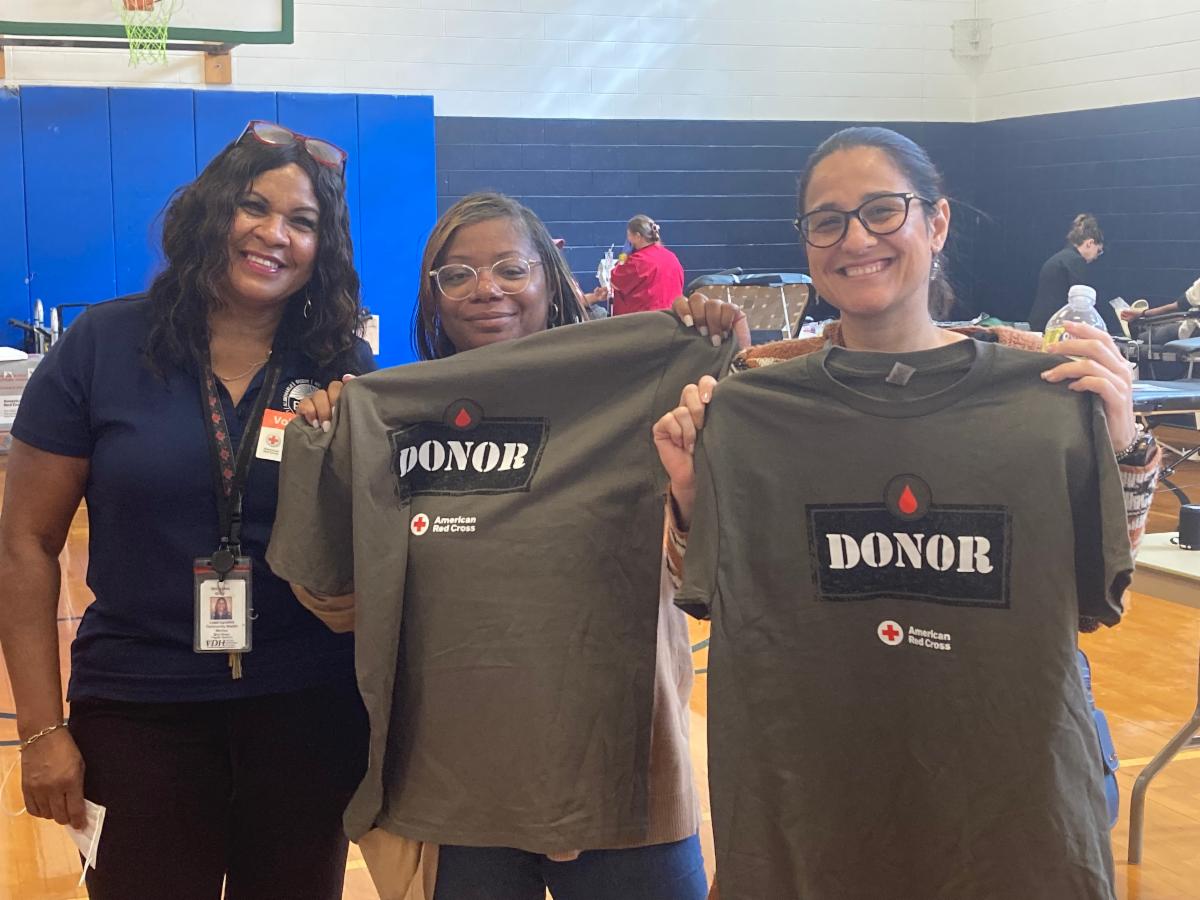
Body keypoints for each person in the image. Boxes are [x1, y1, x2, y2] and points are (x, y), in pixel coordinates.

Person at [654, 127, 1159, 900]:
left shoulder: (1045, 390)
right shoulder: (753, 401)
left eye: (883, 211)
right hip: (820, 799)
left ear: (937, 221)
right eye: (828, 221)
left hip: (1007, 802)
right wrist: (693, 492)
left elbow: (1102, 581)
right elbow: (709, 586)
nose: (856, 238)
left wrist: (1120, 443)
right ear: (808, 244)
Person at [289, 191, 712, 900]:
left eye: (510, 269)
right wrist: (328, 455)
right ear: (434, 300)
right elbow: (336, 603)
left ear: (551, 280)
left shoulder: (641, 391)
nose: (486, 289)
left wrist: (710, 343)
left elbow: (705, 575)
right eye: (456, 275)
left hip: (623, 787)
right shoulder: (394, 418)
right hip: (461, 800)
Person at [0, 121, 375, 900]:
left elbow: (384, 544)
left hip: (307, 710)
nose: (274, 234)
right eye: (252, 206)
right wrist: (40, 733)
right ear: (210, 212)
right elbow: (25, 545)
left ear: (323, 246)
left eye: (302, 221)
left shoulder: (341, 368)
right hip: (139, 709)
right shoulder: (103, 345)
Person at [1028, 212, 1117, 332]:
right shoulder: (1076, 261)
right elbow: (1083, 303)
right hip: (1055, 327)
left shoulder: (1060, 258)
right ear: (1090, 243)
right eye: (1098, 251)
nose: (1096, 257)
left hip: (1040, 322)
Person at [605, 214, 686, 315]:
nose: (628, 240)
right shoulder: (671, 257)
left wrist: (623, 256)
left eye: (629, 235)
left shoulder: (636, 261)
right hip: (671, 318)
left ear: (637, 236)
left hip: (643, 323)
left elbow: (614, 281)